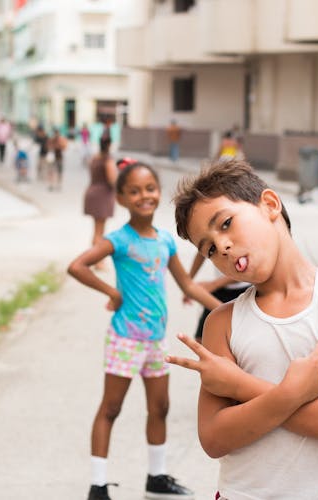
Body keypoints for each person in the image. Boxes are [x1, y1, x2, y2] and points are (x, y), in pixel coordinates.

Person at [167, 160, 318, 499]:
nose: (220, 247)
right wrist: (294, 393)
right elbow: (214, 439)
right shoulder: (222, 321)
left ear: (270, 205)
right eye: (208, 248)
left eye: (226, 223)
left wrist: (238, 384)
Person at [67, 162, 222, 500]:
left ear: (158, 192)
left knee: (161, 408)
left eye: (150, 188)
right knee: (111, 408)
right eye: (134, 191)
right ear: (121, 198)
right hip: (125, 338)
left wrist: (224, 310)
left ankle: (157, 476)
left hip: (155, 341)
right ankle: (97, 485)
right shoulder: (118, 239)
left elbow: (187, 285)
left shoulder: (165, 241)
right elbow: (76, 266)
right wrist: (111, 292)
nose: (144, 196)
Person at [185, 252, 249, 343]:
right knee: (201, 338)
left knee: (235, 337)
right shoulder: (206, 247)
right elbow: (201, 252)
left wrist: (213, 284)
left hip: (243, 289)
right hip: (221, 288)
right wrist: (188, 284)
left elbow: (245, 269)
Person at [84, 137, 117, 271]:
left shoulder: (94, 158)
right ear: (109, 145)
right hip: (102, 195)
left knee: (97, 230)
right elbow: (111, 179)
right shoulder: (108, 160)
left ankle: (96, 260)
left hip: (92, 192)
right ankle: (98, 261)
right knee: (100, 231)